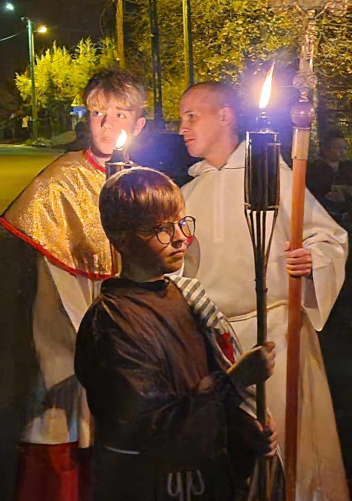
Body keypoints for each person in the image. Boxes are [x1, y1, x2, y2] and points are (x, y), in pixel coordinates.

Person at [177, 82, 351, 501]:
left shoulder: (270, 174)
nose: (181, 128)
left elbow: (329, 238)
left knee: (291, 447)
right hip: (214, 344)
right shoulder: (184, 194)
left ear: (225, 116)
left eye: (190, 116)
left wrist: (310, 260)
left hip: (276, 335)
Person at [75, 167, 278, 501]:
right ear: (121, 238)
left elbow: (204, 391)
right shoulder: (111, 323)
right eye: (161, 229)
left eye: (182, 223)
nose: (182, 237)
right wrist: (233, 382)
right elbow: (150, 429)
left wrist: (244, 431)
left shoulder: (186, 297)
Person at [0, 68, 148, 501]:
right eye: (97, 112)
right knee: (71, 448)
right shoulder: (54, 185)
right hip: (76, 340)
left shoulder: (148, 184)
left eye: (120, 114)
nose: (106, 124)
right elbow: (50, 294)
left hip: (137, 347)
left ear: (138, 125)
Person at [307, 132, 352, 227]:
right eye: (338, 148)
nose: (343, 152)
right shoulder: (314, 170)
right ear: (325, 150)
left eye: (345, 148)